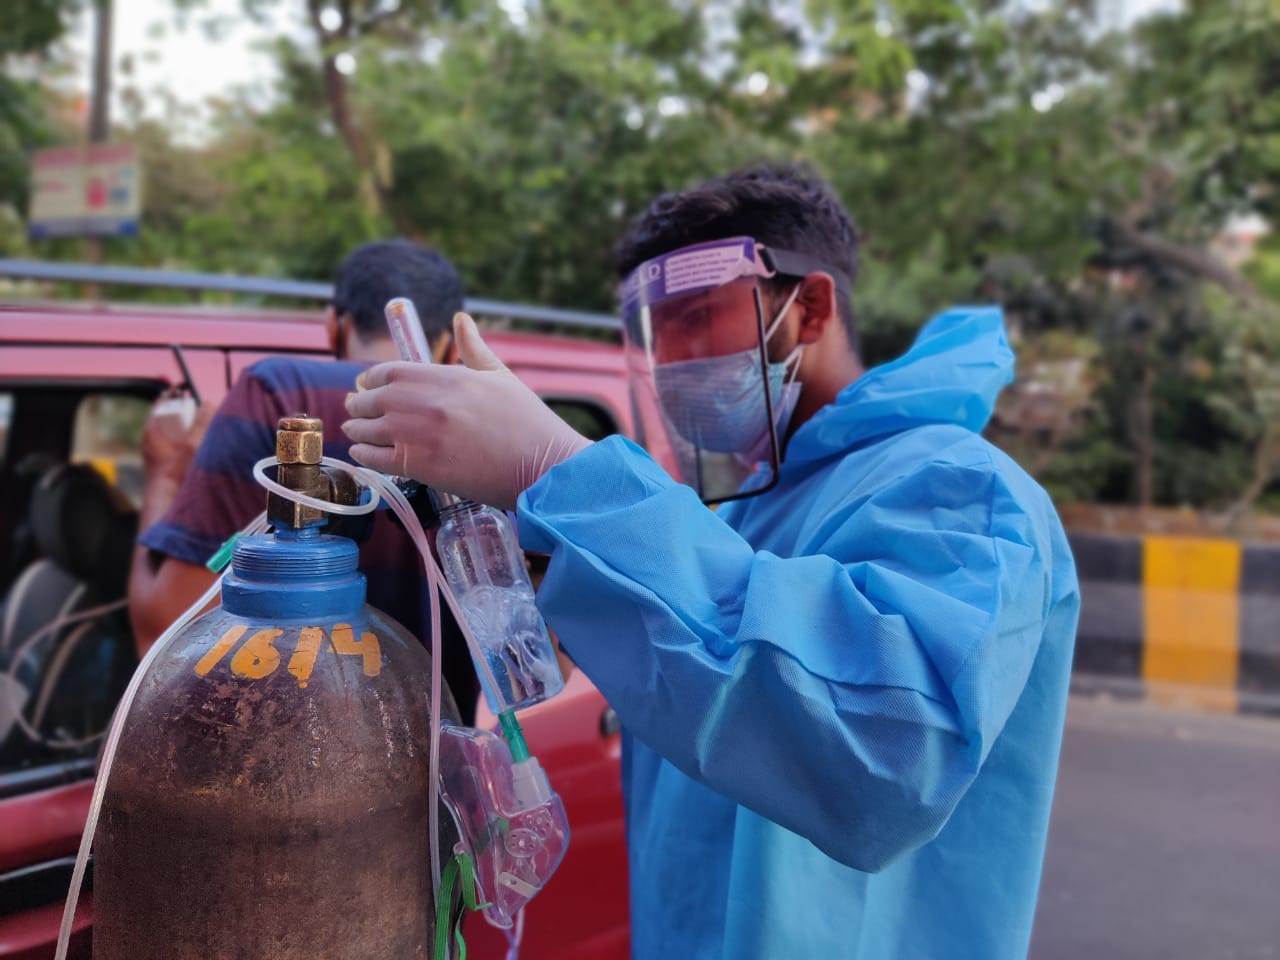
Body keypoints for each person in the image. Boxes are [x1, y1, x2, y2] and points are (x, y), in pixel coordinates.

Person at [340, 165, 1080, 959]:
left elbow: (886, 761)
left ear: (812, 308)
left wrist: (559, 468)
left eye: (699, 317)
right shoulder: (752, 504)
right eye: (658, 335)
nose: (673, 363)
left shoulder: (960, 491)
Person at [128, 238, 479, 720]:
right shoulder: (484, 425)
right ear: (453, 347)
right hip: (435, 771)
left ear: (336, 324)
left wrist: (164, 475)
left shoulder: (277, 394)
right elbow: (536, 659)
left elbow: (166, 641)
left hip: (268, 771)